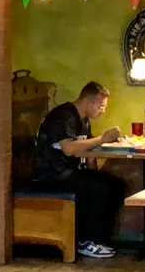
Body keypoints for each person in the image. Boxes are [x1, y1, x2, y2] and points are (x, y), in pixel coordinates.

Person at [33, 81, 128, 259]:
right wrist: (103, 138)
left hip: (71, 172)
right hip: (52, 174)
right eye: (101, 106)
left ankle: (100, 239)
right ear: (89, 102)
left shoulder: (83, 119)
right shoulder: (63, 116)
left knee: (114, 185)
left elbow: (87, 149)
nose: (103, 111)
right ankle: (87, 241)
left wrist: (95, 171)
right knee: (98, 188)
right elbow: (69, 148)